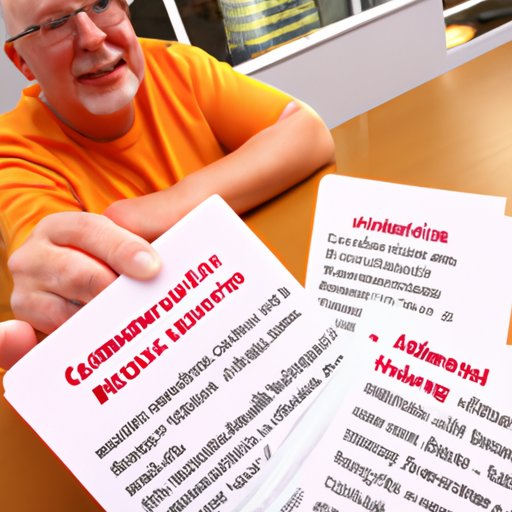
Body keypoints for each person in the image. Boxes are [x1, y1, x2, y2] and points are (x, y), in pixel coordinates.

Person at [0, 0, 335, 369]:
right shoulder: (12, 150)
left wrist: (145, 215)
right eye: (55, 23)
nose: (92, 37)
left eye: (101, 4)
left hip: (270, 310)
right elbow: (53, 263)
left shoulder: (177, 65)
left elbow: (308, 132)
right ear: (22, 61)